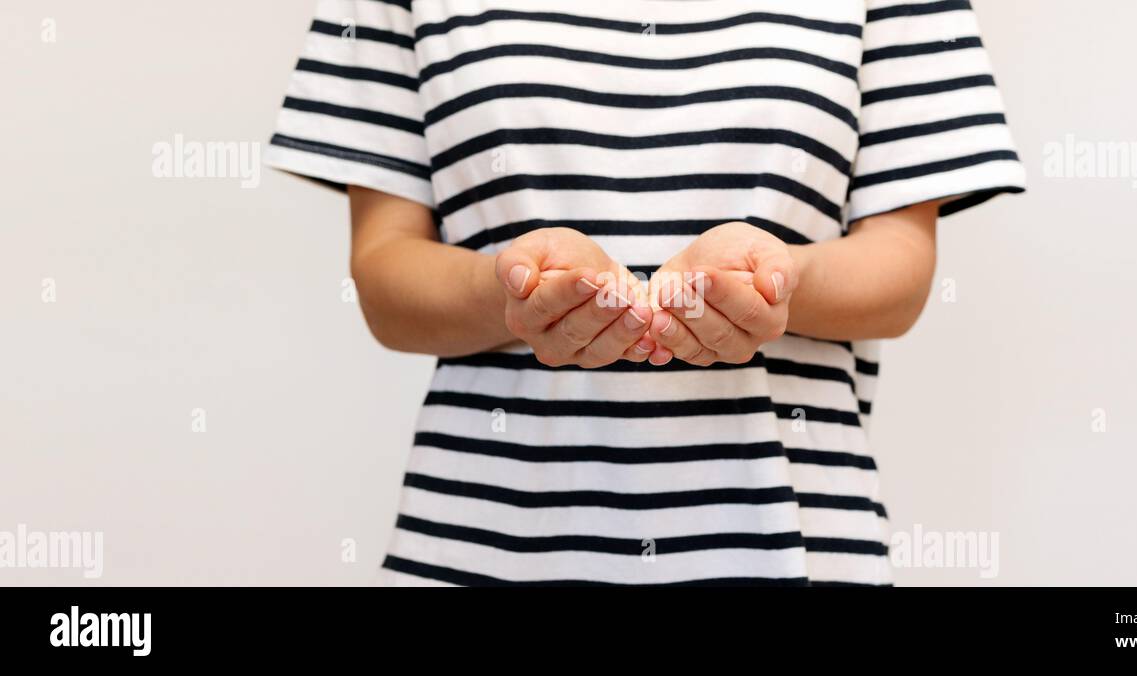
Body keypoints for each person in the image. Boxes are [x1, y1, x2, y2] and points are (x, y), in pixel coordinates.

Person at [265, 0, 1025, 586]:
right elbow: (385, 272)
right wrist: (503, 288)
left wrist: (784, 279)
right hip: (482, 541)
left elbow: (900, 269)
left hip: (796, 543)